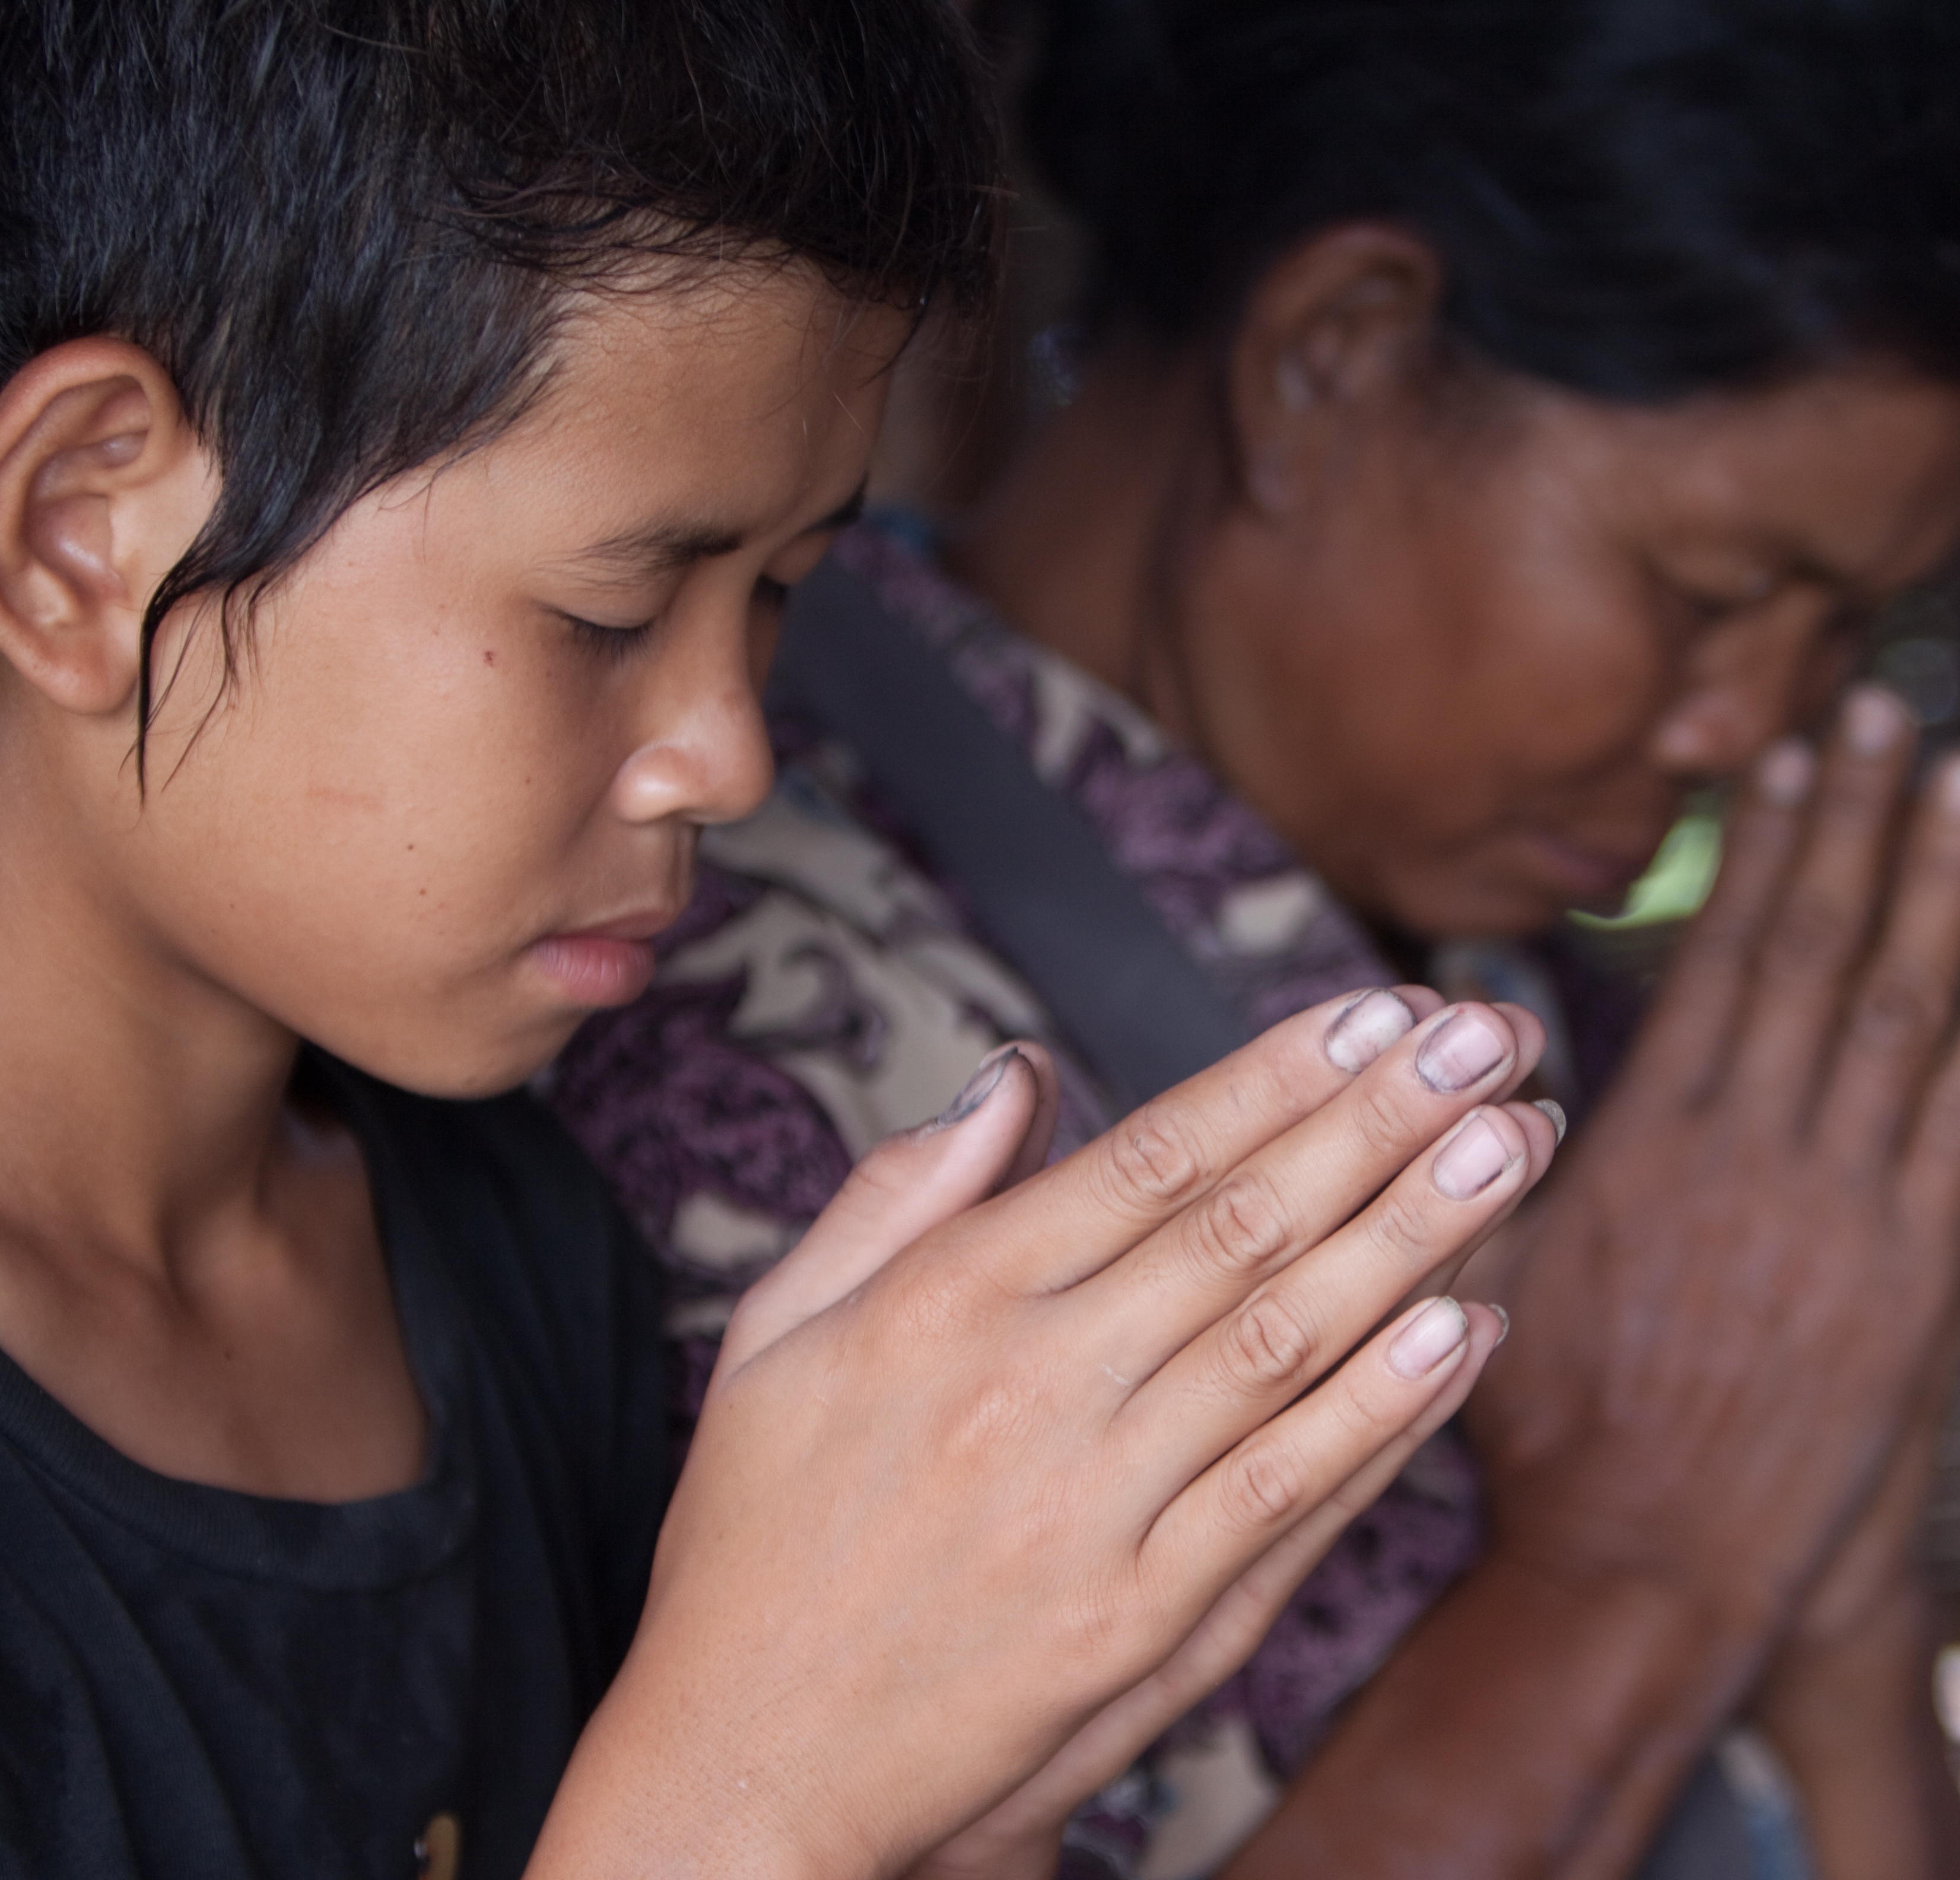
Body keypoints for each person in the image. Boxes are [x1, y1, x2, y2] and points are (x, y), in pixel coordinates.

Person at [547, 0, 1960, 1874]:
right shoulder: (692, 1003)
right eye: (1708, 594)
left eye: (1842, 631)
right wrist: (1641, 1575)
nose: (1753, 725)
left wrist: (1839, 1598)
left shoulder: (1593, 1066)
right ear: (1331, 359)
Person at [0, 2, 1565, 1873]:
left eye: (781, 599)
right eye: (614, 608)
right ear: (82, 538)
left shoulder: (513, 1252)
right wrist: (752, 1804)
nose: (730, 754)